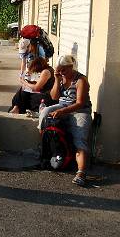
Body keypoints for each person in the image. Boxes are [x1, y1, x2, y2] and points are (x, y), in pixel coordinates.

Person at [38, 55, 92, 187]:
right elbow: (54, 96)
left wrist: (63, 112)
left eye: (64, 70)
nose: (62, 73)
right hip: (63, 105)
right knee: (45, 113)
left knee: (80, 138)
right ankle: (45, 146)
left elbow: (80, 103)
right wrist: (57, 79)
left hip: (80, 110)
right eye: (59, 70)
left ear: (71, 67)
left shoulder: (81, 80)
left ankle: (81, 172)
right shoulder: (61, 78)